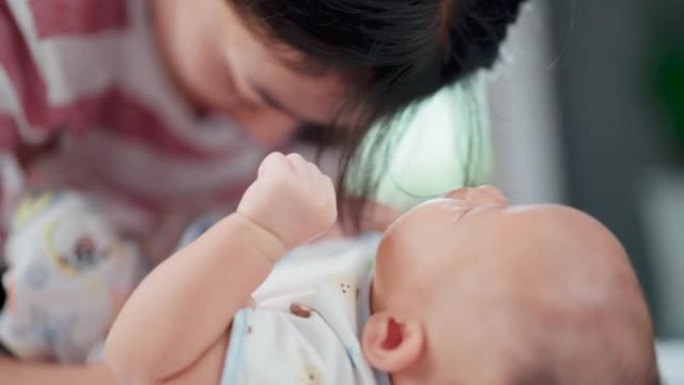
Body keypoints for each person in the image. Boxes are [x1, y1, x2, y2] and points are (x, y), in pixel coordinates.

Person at [0, 0, 527, 382]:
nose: (267, 143)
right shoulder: (32, 33)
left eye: (310, 128)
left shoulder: (326, 121)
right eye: (254, 93)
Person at [106, 152, 659, 385]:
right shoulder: (400, 307)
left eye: (471, 215)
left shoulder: (309, 366)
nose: (483, 189)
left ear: (391, 336)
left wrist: (260, 234)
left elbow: (136, 360)